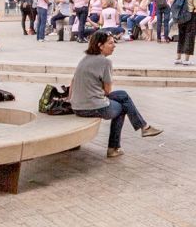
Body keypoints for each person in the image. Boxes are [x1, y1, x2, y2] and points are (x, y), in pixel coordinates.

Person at [70, 30, 163, 158]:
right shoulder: (105, 62)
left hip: (77, 106)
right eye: (111, 43)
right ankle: (114, 147)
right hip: (93, 107)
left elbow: (73, 83)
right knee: (123, 107)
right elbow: (108, 91)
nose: (114, 46)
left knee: (122, 95)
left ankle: (144, 127)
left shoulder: (84, 59)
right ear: (100, 45)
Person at [171, 0, 196, 65]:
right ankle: (186, 60)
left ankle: (178, 58)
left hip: (181, 18)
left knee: (181, 37)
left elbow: (171, 1)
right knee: (189, 38)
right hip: (190, 18)